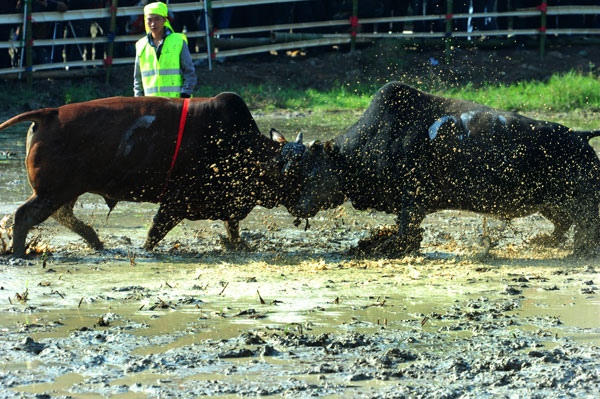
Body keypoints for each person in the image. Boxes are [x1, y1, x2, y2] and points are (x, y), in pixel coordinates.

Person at [133, 1, 196, 98]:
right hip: (151, 105)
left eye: (157, 19)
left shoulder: (178, 41)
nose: (153, 24)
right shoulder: (141, 45)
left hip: (176, 103)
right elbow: (138, 80)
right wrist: (139, 102)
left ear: (164, 20)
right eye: (149, 20)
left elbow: (189, 72)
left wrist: (184, 96)